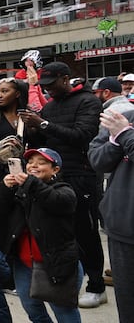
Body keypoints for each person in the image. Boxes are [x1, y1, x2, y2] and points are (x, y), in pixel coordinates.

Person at [19, 61, 106, 308]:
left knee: (85, 232)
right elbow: (43, 138)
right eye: (45, 86)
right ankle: (71, 282)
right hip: (54, 178)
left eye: (52, 84)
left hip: (81, 175)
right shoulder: (52, 106)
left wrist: (43, 124)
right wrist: (31, 127)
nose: (50, 90)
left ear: (66, 79)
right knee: (60, 232)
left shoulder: (88, 101)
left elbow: (83, 136)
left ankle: (96, 285)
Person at [0, 148, 82, 322]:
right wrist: (6, 188)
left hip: (56, 263)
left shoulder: (64, 190)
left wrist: (31, 183)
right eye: (30, 162)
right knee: (32, 309)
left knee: (64, 312)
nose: (34, 166)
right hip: (24, 262)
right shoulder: (22, 189)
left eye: (41, 162)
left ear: (55, 170)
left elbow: (56, 201)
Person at [88, 110, 134, 323]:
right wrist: (115, 143)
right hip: (122, 229)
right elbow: (97, 161)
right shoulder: (123, 117)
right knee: (128, 307)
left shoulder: (123, 126)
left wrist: (124, 134)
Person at [0, 78, 30, 197]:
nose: (0, 95)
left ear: (17, 94)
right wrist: (2, 178)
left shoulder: (27, 115)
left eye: (5, 91)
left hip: (21, 175)